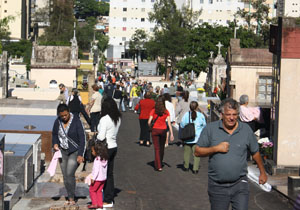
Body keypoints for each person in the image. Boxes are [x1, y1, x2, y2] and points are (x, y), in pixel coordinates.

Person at [195, 98, 267, 210]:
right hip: (217, 186)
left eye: (235, 114)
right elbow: (197, 151)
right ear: (222, 114)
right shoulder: (211, 129)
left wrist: (262, 172)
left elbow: (255, 152)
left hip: (240, 184)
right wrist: (216, 148)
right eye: (228, 115)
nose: (232, 118)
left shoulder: (246, 130)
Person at [52, 104, 86, 206]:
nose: (64, 117)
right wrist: (55, 143)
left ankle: (72, 197)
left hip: (74, 151)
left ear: (68, 112)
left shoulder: (76, 121)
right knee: (65, 176)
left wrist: (80, 154)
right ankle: (69, 195)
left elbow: (82, 138)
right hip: (62, 151)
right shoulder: (57, 121)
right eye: (62, 116)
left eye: (65, 115)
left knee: (69, 173)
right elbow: (54, 134)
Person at [97, 97, 122, 208]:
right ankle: (109, 197)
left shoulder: (104, 119)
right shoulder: (117, 118)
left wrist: (96, 136)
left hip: (105, 148)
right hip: (114, 146)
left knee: (103, 173)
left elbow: (101, 136)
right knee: (110, 174)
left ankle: (106, 198)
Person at [148, 96, 174, 171]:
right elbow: (169, 123)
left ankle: (158, 165)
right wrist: (171, 134)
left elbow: (149, 121)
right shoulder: (166, 111)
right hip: (163, 130)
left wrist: (150, 127)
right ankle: (160, 161)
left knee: (156, 148)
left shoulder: (153, 110)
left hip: (155, 130)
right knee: (162, 148)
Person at [180, 101, 206, 174]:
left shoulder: (186, 115)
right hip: (197, 138)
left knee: (186, 153)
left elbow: (182, 125)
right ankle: (195, 168)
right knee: (196, 154)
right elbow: (204, 125)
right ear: (197, 107)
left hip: (188, 137)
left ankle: (186, 166)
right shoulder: (200, 115)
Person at [87, 141, 108, 210]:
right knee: (99, 191)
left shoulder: (97, 160)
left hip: (97, 179)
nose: (92, 152)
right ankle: (100, 204)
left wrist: (93, 178)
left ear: (97, 151)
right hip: (103, 179)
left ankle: (94, 204)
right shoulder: (105, 159)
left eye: (93, 151)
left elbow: (96, 170)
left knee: (92, 190)